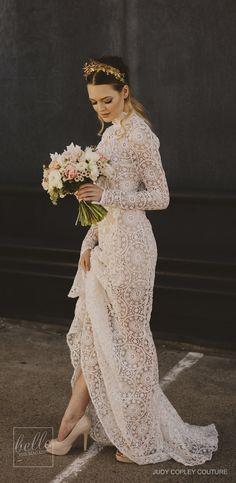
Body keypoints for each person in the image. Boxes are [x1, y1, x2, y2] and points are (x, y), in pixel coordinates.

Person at [45, 56, 219, 465]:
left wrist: (107, 197)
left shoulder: (140, 135)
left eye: (107, 100)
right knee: (96, 335)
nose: (100, 109)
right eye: (93, 103)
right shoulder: (108, 136)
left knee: (133, 344)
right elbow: (100, 201)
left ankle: (139, 437)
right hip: (105, 247)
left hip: (134, 249)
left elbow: (160, 197)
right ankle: (75, 420)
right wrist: (89, 240)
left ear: (125, 92)